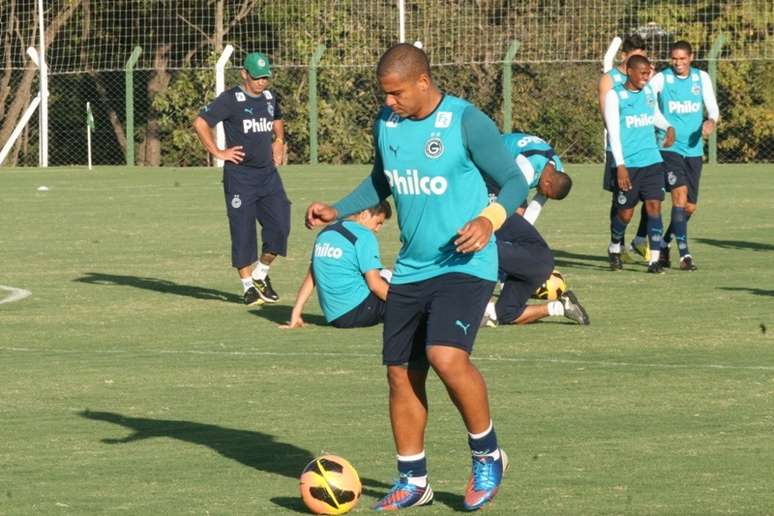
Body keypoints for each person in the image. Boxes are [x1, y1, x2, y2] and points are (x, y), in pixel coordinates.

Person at [305, 43, 528, 511]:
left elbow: (513, 181)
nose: (389, 103)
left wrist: (488, 220)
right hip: (411, 267)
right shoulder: (387, 124)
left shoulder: (466, 121)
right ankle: (413, 479)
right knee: (401, 374)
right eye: (384, 94)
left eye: (396, 93)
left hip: (465, 264)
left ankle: (488, 455)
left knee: (445, 356)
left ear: (423, 82)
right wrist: (337, 210)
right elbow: (381, 180)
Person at [193, 52, 289, 306]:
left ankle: (261, 274)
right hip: (240, 177)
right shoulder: (230, 99)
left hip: (268, 175)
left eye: (265, 77)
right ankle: (248, 286)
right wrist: (218, 152)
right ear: (244, 74)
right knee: (243, 232)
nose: (262, 82)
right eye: (257, 77)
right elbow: (201, 123)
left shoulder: (270, 97)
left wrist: (279, 141)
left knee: (280, 226)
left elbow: (277, 119)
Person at [647, 40, 720, 271]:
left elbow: (712, 107)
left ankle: (665, 243)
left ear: (691, 57)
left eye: (682, 58)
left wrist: (711, 121)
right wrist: (664, 125)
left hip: (694, 149)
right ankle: (685, 255)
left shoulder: (701, 78)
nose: (678, 62)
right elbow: (648, 100)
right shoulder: (662, 78)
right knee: (679, 197)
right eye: (674, 58)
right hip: (669, 148)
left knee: (689, 207)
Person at [603, 54, 675, 273]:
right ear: (630, 72)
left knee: (654, 206)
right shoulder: (615, 96)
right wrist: (621, 166)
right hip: (628, 164)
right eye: (643, 73)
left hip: (652, 160)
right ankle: (615, 246)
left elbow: (654, 116)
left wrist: (668, 126)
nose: (647, 77)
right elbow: (613, 134)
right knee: (625, 213)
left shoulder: (649, 93)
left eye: (648, 73)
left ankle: (654, 260)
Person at [279, 201, 392, 329]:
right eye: (378, 223)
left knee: (383, 273)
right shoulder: (364, 235)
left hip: (334, 317)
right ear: (365, 214)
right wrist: (405, 303)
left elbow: (312, 275)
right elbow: (375, 284)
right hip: (361, 311)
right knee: (398, 277)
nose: (377, 230)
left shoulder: (325, 233)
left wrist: (296, 313)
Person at [479, 212, 589, 327]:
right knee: (505, 313)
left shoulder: (485, 213)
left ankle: (483, 309)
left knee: (481, 249)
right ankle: (561, 307)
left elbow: (487, 255)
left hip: (534, 257)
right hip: (537, 262)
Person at [598, 34, 648, 264]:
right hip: (619, 149)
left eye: (643, 56)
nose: (640, 62)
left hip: (647, 148)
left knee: (651, 195)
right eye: (635, 57)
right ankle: (616, 244)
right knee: (620, 199)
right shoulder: (610, 80)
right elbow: (607, 116)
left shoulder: (646, 75)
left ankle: (640, 239)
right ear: (624, 55)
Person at [496, 132, 573, 225]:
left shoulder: (557, 174)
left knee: (518, 218)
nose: (545, 197)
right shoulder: (527, 167)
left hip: (510, 164)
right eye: (547, 195)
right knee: (515, 211)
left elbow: (535, 207)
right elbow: (510, 194)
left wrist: (524, 232)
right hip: (491, 151)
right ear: (547, 183)